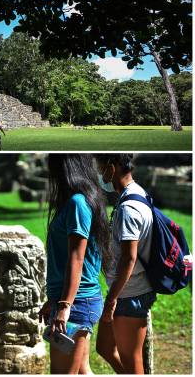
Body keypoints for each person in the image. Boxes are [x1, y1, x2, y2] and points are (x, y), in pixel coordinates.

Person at [42, 154, 111, 374]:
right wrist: (54, 299)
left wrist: (64, 306)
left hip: (77, 303)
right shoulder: (80, 200)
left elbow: (76, 258)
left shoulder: (77, 203)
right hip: (77, 300)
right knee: (83, 371)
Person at [94, 154, 155, 374]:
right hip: (123, 291)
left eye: (101, 168)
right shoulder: (136, 193)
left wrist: (111, 300)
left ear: (112, 167)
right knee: (105, 348)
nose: (100, 174)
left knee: (131, 359)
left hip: (130, 293)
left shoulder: (129, 207)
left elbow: (130, 258)